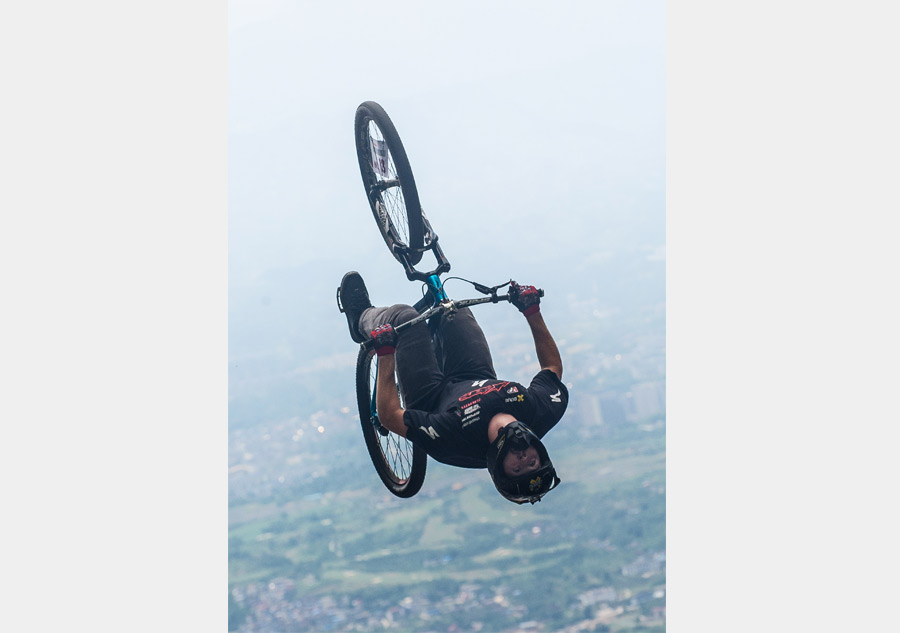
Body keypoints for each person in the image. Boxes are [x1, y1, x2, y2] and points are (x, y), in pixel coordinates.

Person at [339, 271, 569, 504]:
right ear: (540, 453)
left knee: (403, 319)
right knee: (452, 309)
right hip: (473, 374)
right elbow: (551, 367)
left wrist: (386, 352)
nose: (523, 458)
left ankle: (360, 320)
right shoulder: (541, 412)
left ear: (499, 465)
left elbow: (389, 416)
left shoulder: (454, 441)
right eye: (532, 463)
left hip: (428, 395)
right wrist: (531, 310)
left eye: (518, 469)